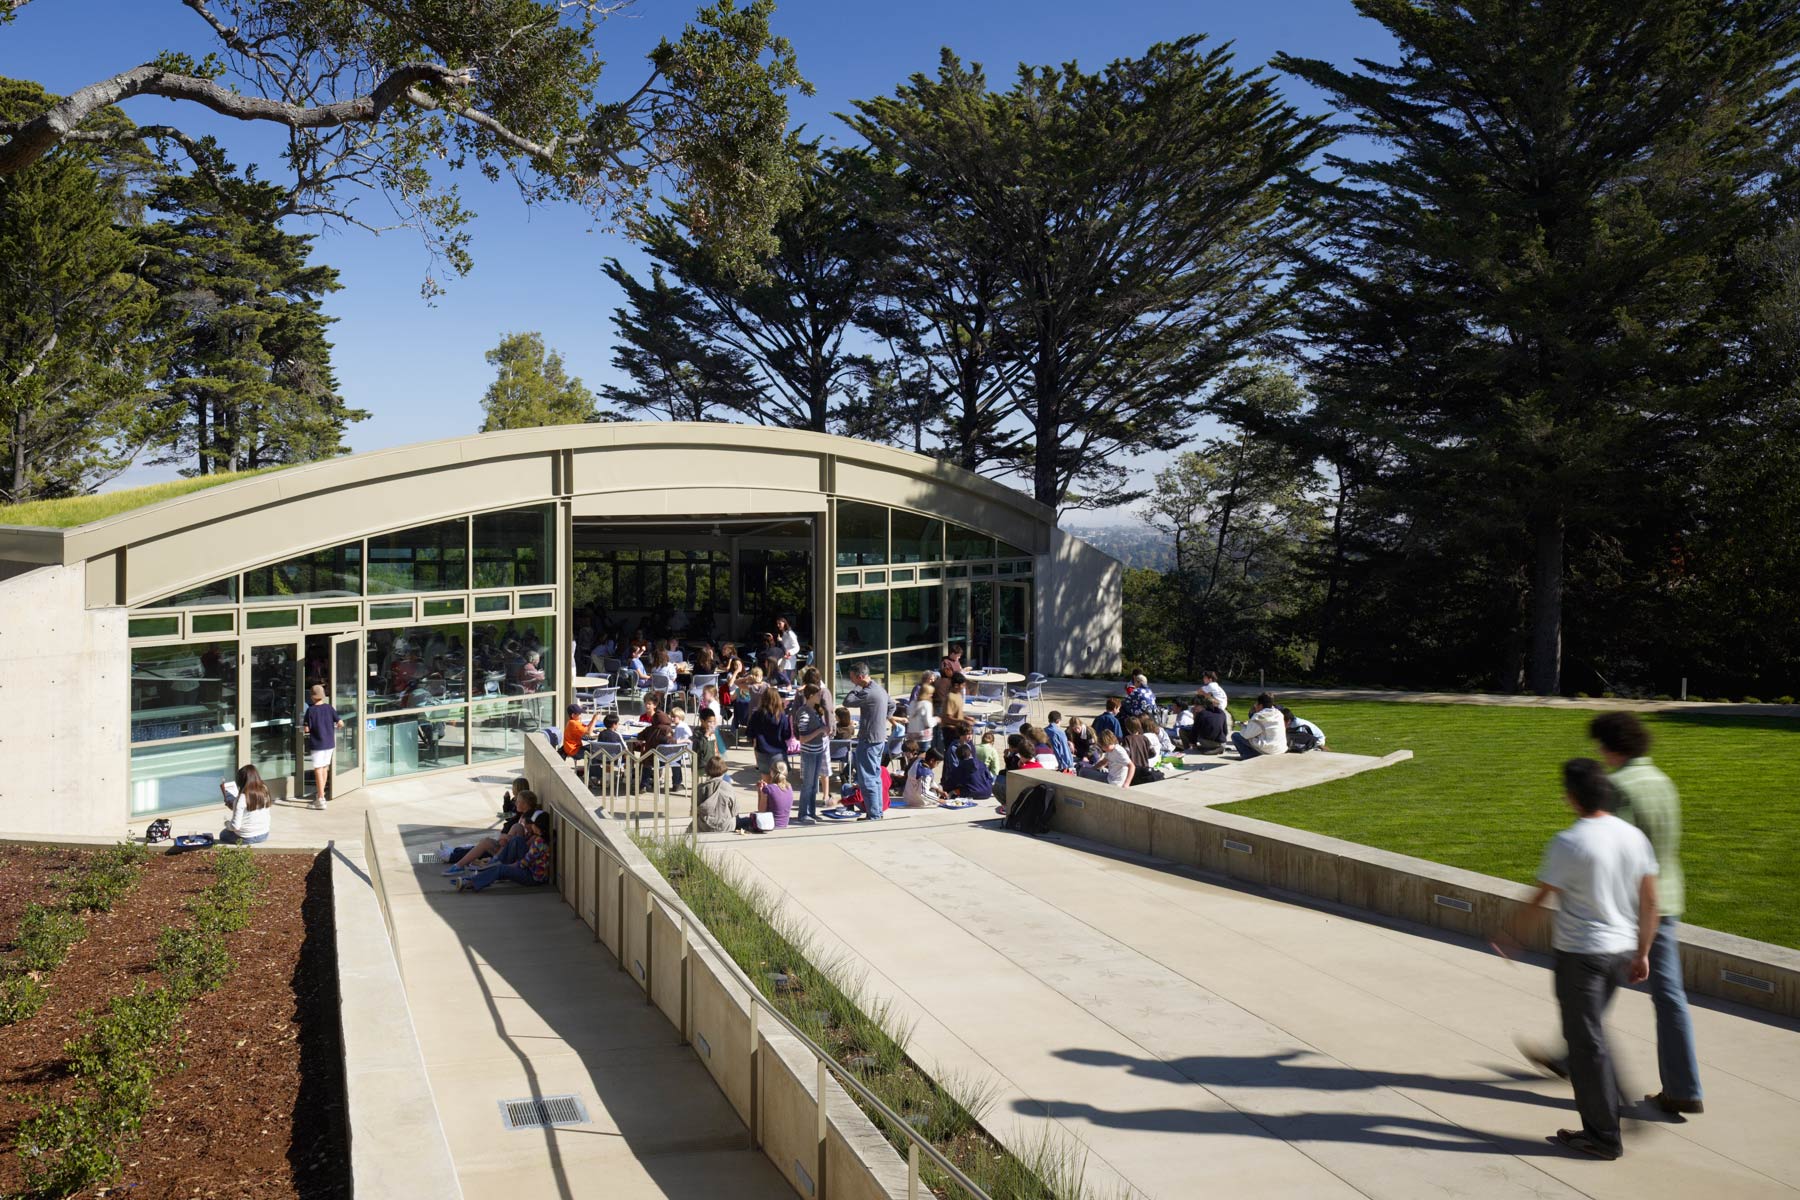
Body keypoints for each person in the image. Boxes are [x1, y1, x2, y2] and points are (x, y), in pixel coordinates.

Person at [1491, 759, 1658, 1161]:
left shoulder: (1570, 841)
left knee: (1586, 1048)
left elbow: (1540, 897)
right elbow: (1651, 899)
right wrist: (1643, 951)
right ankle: (1613, 1113)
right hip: (1620, 953)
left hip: (1581, 957)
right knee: (1590, 1037)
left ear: (1571, 797)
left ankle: (1603, 1137)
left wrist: (1513, 935)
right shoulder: (1633, 836)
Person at [1590, 712, 1702, 1115]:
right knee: (1668, 996)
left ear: (1610, 747)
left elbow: (1616, 851)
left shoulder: (1616, 787)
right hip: (1667, 899)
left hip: (1631, 905)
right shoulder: (1662, 781)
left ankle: (1574, 1053)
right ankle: (1684, 1086)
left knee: (1589, 983)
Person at [456, 811, 552, 892]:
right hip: (531, 869)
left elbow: (524, 863)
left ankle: (472, 882)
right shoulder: (543, 837)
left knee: (501, 869)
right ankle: (490, 868)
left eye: (533, 824)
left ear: (538, 826)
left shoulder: (539, 841)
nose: (531, 825)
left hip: (532, 877)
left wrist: (509, 866)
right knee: (517, 840)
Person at [844, 662, 892, 820]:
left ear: (859, 677)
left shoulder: (867, 692)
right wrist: (881, 719)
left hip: (869, 740)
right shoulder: (880, 689)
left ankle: (874, 814)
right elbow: (891, 705)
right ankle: (876, 811)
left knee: (867, 779)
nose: (851, 681)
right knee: (875, 776)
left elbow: (847, 701)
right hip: (879, 739)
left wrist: (858, 687)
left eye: (853, 678)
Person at [790, 682, 830, 824]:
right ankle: (804, 813)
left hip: (818, 750)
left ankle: (811, 812)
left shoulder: (815, 710)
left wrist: (823, 732)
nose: (821, 697)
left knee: (814, 784)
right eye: (818, 695)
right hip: (809, 753)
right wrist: (820, 730)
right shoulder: (804, 712)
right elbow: (802, 738)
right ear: (811, 696)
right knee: (808, 784)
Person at [301, 684, 344, 810]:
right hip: (329, 743)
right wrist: (333, 727)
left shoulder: (310, 710)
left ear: (312, 697)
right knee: (325, 768)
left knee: (318, 770)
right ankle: (321, 794)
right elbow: (341, 723)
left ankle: (320, 799)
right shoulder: (329, 708)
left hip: (317, 744)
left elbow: (307, 729)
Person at [219, 764, 272, 845]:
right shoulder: (264, 790)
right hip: (264, 834)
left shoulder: (241, 798)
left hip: (247, 837)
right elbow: (251, 809)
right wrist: (234, 806)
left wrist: (226, 823)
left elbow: (235, 826)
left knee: (223, 834)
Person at [746, 685, 790, 777]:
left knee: (766, 782)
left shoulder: (757, 714)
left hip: (762, 751)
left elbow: (750, 733)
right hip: (779, 752)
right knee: (780, 781)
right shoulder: (781, 715)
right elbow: (787, 734)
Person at [738, 760, 794, 832]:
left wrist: (760, 791)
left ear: (772, 772)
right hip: (784, 824)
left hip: (768, 825)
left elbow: (761, 810)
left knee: (740, 821)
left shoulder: (768, 789)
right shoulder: (789, 787)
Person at [1231, 693, 1288, 760]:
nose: (1255, 706)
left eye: (1256, 704)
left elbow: (1246, 735)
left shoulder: (1259, 717)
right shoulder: (1278, 713)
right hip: (1280, 748)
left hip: (1269, 750)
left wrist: (1244, 726)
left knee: (1236, 736)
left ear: (1260, 705)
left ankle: (1248, 756)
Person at [695, 758, 738, 833]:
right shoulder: (729, 787)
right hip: (726, 826)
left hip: (705, 826)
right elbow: (735, 811)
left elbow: (695, 810)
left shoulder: (701, 788)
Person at [1124, 715, 1163, 785]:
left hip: (1133, 771)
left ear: (1127, 728)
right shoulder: (1144, 738)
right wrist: (1143, 755)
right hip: (1145, 769)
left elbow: (1125, 755)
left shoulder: (1127, 739)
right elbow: (1153, 753)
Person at [559, 703, 589, 773]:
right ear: (573, 715)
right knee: (594, 751)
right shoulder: (573, 723)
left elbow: (586, 728)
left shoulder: (572, 722)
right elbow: (588, 732)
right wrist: (594, 719)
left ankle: (588, 770)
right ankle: (591, 772)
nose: (580, 715)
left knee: (593, 748)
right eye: (579, 714)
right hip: (574, 751)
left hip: (572, 748)